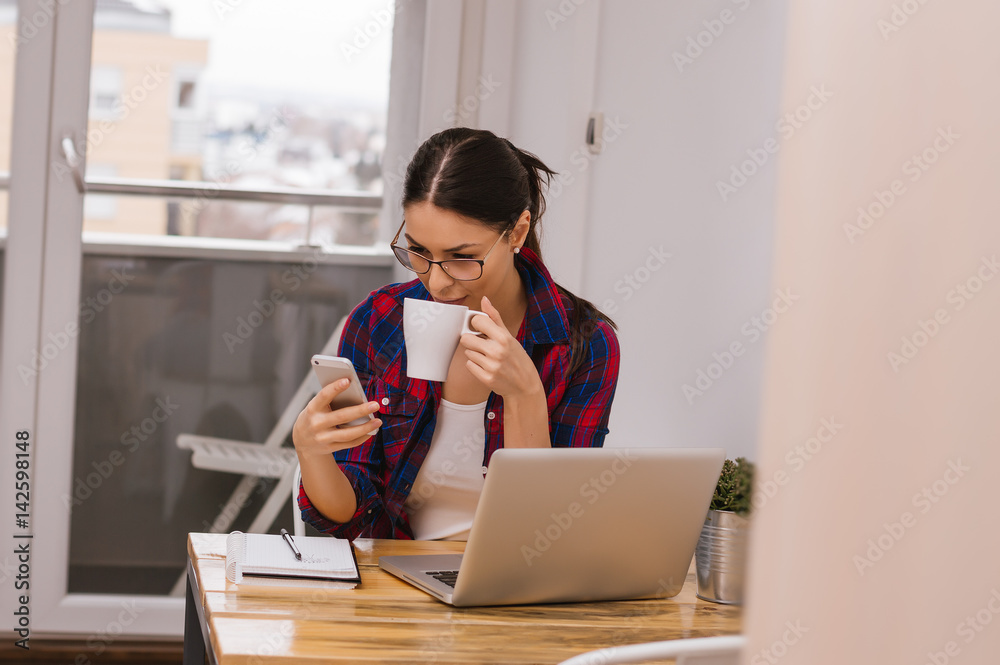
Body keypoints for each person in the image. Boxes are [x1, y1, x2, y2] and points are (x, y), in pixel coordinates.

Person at [293, 127, 620, 540]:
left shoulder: (583, 345)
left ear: (517, 233)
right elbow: (352, 517)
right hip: (395, 580)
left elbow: (548, 533)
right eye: (419, 252)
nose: (436, 283)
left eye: (461, 258)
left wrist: (524, 395)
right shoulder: (379, 321)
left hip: (513, 583)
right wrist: (312, 451)